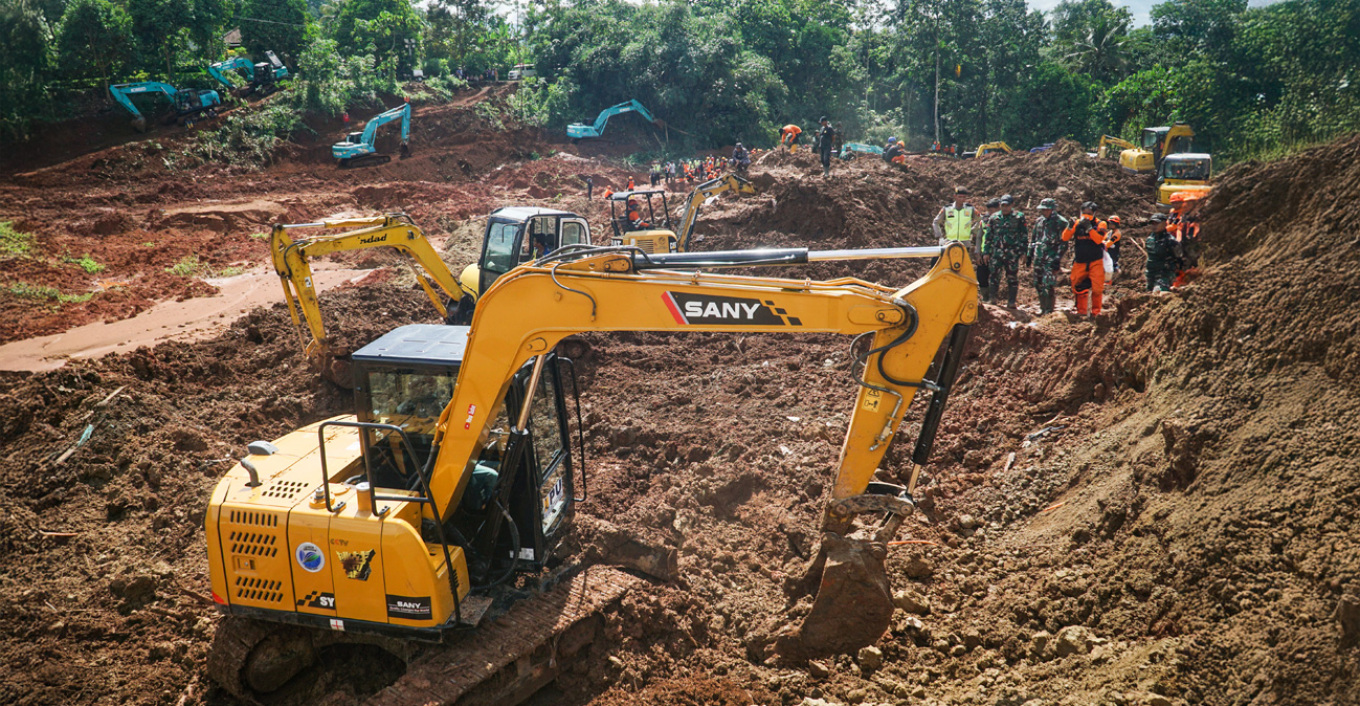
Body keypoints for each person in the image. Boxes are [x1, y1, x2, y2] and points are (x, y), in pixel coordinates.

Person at [1061, 201, 1107, 316]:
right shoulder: (1077, 223)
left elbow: (1099, 240)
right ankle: (1081, 311)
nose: (1086, 215)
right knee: (1077, 285)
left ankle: (1096, 313)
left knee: (1097, 288)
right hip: (1080, 261)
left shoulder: (1101, 224)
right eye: (1084, 212)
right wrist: (1069, 227)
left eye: (1089, 213)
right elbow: (1065, 238)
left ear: (1094, 213)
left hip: (1095, 261)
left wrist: (1090, 228)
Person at [983, 194, 1027, 308]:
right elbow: (988, 236)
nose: (1005, 208)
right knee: (994, 276)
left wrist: (1023, 252)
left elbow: (1023, 235)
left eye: (1007, 205)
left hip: (1012, 254)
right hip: (996, 253)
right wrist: (986, 252)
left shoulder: (1018, 217)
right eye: (1003, 205)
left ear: (1012, 205)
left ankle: (1011, 302)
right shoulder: (994, 217)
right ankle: (992, 299)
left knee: (1012, 277)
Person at [1027, 198, 1069, 314]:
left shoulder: (1061, 222)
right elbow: (1034, 238)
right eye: (1042, 210)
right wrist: (1029, 254)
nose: (1044, 212)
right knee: (1038, 283)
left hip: (1051, 257)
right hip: (1038, 256)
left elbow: (1064, 243)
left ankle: (1049, 310)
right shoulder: (1039, 221)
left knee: (1048, 283)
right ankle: (1042, 308)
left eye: (1046, 209)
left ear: (1052, 209)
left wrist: (1058, 258)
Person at [931, 186, 981, 254]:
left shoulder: (970, 209)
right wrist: (939, 237)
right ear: (955, 196)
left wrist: (974, 230)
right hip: (949, 242)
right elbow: (936, 222)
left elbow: (981, 219)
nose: (962, 199)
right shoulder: (947, 209)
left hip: (965, 243)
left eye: (964, 197)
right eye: (960, 197)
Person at [1145, 214, 1182, 292]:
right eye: (1152, 223)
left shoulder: (1170, 241)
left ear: (1165, 224)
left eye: (1157, 223)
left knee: (1158, 292)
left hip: (1164, 274)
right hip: (1150, 273)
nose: (1154, 226)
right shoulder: (1149, 239)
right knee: (1148, 293)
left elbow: (1179, 258)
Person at [976, 197, 1000, 302]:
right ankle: (985, 297)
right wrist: (977, 252)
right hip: (984, 252)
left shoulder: (1003, 219)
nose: (989, 212)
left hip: (997, 253)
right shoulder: (984, 220)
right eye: (988, 210)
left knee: (995, 277)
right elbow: (979, 236)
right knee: (981, 276)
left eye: (991, 210)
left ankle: (992, 298)